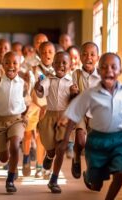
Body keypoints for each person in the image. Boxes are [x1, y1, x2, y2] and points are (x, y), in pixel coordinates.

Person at [59, 53, 122, 200]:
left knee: (119, 173)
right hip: (97, 140)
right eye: (104, 67)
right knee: (96, 185)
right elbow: (74, 114)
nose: (109, 70)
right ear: (99, 71)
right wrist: (66, 140)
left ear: (120, 71)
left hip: (118, 139)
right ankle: (89, 176)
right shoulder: (90, 94)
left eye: (113, 67)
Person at [34, 51, 77, 193]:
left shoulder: (71, 83)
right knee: (50, 146)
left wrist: (74, 93)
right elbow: (41, 90)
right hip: (50, 115)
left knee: (61, 149)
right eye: (57, 62)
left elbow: (75, 100)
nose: (60, 65)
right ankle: (49, 155)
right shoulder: (49, 79)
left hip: (64, 118)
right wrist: (38, 86)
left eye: (64, 63)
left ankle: (54, 179)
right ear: (53, 65)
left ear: (70, 66)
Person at [0, 51, 27, 193]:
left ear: (19, 66)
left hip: (16, 120)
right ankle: (5, 158)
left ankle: (10, 179)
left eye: (15, 63)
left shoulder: (22, 83)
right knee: (3, 158)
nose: (11, 66)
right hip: (0, 121)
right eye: (7, 62)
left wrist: (25, 115)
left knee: (15, 145)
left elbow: (26, 101)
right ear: (2, 65)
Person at [70, 42, 101, 179]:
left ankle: (90, 173)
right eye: (85, 54)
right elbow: (70, 95)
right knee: (81, 142)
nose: (88, 57)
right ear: (80, 57)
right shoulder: (75, 74)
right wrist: (73, 92)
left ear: (98, 58)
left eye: (92, 54)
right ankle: (76, 156)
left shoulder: (102, 75)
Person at [30, 41, 55, 178]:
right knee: (41, 138)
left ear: (54, 54)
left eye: (50, 52)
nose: (47, 54)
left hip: (54, 109)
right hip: (40, 108)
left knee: (53, 141)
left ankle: (48, 167)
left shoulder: (59, 69)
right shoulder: (35, 70)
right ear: (39, 54)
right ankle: (39, 166)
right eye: (44, 52)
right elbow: (34, 92)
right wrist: (42, 106)